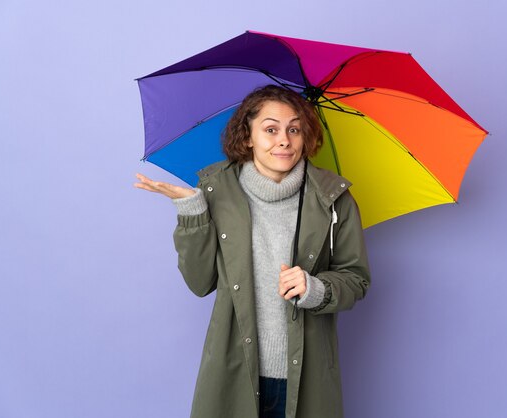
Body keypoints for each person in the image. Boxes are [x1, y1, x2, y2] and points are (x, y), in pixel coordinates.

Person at [134, 85, 370, 418]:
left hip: (307, 377)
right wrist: (192, 211)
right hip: (234, 374)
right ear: (247, 136)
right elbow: (200, 282)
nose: (284, 140)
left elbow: (356, 279)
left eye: (294, 129)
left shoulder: (334, 200)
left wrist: (315, 288)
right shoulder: (215, 190)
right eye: (271, 129)